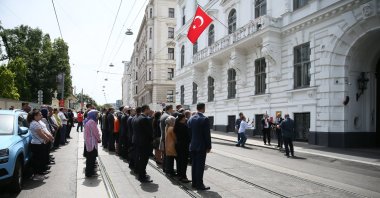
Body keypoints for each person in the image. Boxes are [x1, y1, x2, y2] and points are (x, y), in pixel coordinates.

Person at [188, 103, 211, 190]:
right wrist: (209, 146)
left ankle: (194, 183)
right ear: (203, 108)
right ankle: (199, 184)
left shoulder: (191, 118)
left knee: (194, 165)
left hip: (193, 145)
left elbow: (189, 133)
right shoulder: (204, 119)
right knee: (200, 166)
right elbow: (207, 135)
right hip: (201, 146)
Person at [27, 110, 53, 180]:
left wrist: (48, 137)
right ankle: (37, 175)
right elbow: (40, 133)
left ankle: (40, 173)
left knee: (41, 160)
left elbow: (43, 131)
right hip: (37, 144)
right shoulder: (34, 123)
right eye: (39, 115)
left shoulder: (36, 122)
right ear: (35, 116)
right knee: (38, 161)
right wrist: (47, 138)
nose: (41, 116)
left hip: (39, 143)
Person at [135, 105, 154, 183]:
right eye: (149, 109)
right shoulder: (144, 119)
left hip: (139, 142)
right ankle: (142, 177)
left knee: (141, 160)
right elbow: (149, 132)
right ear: (146, 110)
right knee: (143, 160)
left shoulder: (137, 117)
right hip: (144, 143)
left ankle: (141, 175)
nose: (150, 111)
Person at [84, 110, 101, 177]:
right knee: (91, 158)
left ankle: (89, 172)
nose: (97, 116)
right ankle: (90, 173)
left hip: (89, 142)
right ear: (93, 115)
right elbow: (95, 132)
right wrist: (99, 139)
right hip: (92, 143)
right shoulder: (92, 122)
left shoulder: (88, 121)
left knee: (89, 158)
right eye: (96, 114)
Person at [174, 113, 191, 183]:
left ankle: (179, 175)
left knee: (179, 160)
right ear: (182, 118)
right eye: (184, 117)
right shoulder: (184, 126)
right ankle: (184, 177)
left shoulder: (176, 125)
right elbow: (188, 136)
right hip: (184, 145)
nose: (186, 118)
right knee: (184, 161)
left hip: (178, 145)